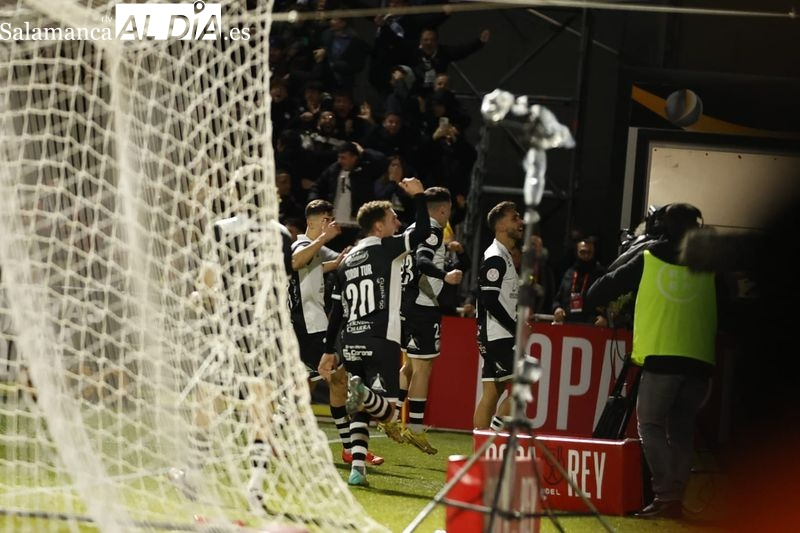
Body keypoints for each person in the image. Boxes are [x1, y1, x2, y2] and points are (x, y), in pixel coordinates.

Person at [585, 203, 716, 520]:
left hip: (662, 357)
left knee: (651, 425)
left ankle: (665, 496)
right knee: (682, 432)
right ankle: (675, 497)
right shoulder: (710, 261)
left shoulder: (649, 256)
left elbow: (596, 292)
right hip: (700, 362)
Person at [318, 177, 430, 487]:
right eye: (393, 219)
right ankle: (364, 393)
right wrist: (419, 197)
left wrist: (329, 350)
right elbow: (421, 232)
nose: (398, 222)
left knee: (360, 413)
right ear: (378, 228)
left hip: (350, 339)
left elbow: (337, 311)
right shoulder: (387, 248)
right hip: (381, 337)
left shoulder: (346, 259)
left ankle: (358, 469)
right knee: (388, 411)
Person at [288, 200, 386, 468]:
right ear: (312, 221)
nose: (329, 224)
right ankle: (350, 446)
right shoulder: (299, 244)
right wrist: (322, 238)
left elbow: (311, 271)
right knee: (339, 382)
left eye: (330, 220)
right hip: (309, 326)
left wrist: (338, 263)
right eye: (324, 220)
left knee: (306, 388)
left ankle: (289, 441)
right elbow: (297, 261)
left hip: (310, 326)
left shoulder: (313, 251)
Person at [392, 187, 463, 455]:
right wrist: (444, 276)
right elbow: (422, 261)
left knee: (409, 365)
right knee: (424, 368)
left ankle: (393, 417)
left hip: (406, 303)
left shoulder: (415, 228)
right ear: (443, 209)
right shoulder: (434, 232)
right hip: (423, 306)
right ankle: (416, 428)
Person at [473, 201, 524, 430]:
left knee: (492, 394)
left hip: (493, 334)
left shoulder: (503, 255)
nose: (521, 222)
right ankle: (490, 440)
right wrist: (516, 327)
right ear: (500, 225)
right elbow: (489, 300)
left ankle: (479, 452)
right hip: (498, 335)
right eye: (515, 218)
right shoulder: (496, 257)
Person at [552, 236, 606, 324]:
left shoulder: (601, 275)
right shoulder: (569, 273)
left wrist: (604, 317)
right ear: (577, 253)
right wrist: (557, 308)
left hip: (592, 325)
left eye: (589, 252)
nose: (586, 256)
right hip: (568, 324)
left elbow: (609, 301)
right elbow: (558, 299)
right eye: (582, 252)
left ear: (594, 253)